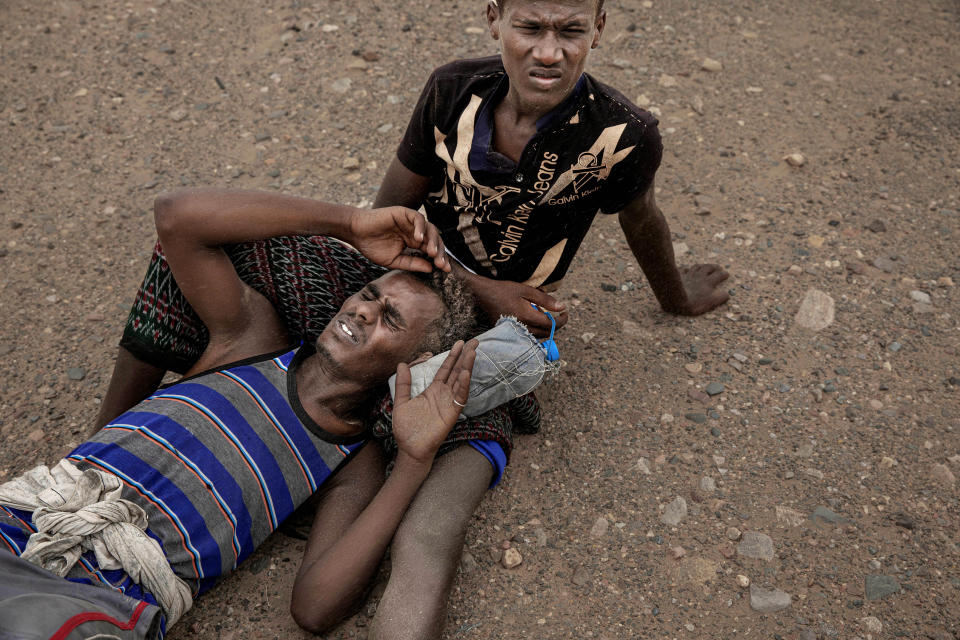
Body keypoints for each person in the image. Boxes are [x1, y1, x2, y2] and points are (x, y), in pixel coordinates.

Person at [96, 0, 732, 637]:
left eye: (570, 31)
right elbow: (388, 218)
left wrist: (675, 296)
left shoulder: (622, 133)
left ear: (597, 27)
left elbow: (642, 218)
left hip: (489, 329)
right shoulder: (455, 91)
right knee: (214, 256)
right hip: (413, 277)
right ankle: (108, 440)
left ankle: (369, 494)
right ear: (494, 19)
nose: (548, 51)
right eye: (530, 28)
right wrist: (473, 285)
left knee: (434, 514)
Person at [0, 191, 481, 639]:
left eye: (390, 319)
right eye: (370, 295)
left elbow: (314, 608)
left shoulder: (352, 460)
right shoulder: (253, 341)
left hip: (107, 593)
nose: (361, 312)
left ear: (417, 365)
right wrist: (350, 223)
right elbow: (177, 218)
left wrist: (416, 461)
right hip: (24, 518)